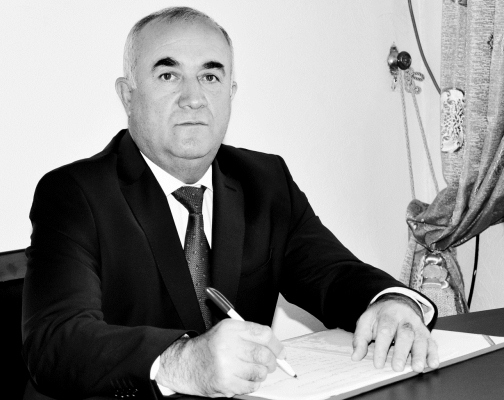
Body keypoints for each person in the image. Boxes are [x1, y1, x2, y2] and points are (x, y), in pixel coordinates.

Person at [22, 7, 439, 399]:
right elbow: (56, 341)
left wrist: (390, 301)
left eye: (210, 76)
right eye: (168, 75)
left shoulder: (266, 180)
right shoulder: (74, 194)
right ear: (128, 95)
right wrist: (180, 361)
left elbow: (332, 273)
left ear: (230, 93)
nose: (193, 98)